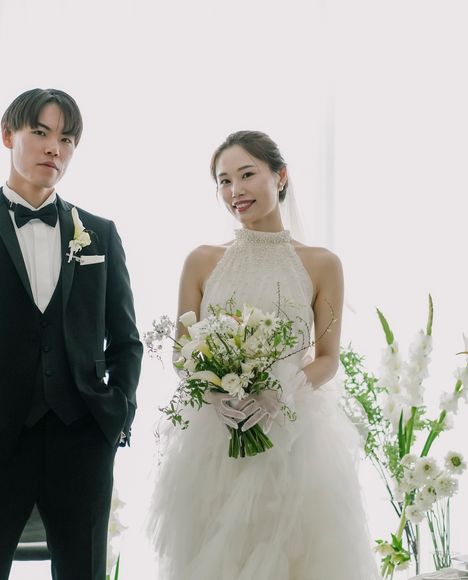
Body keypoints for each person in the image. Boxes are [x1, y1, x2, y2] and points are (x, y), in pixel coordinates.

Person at [0, 88, 143, 580]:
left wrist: (117, 414)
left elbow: (126, 340)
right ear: (7, 135)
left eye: (66, 138)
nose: (53, 148)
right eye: (40, 132)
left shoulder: (99, 233)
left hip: (82, 440)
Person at [147, 131, 380, 579]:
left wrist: (278, 394)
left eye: (247, 175)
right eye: (224, 181)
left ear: (281, 176)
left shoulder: (322, 263)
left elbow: (327, 358)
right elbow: (182, 353)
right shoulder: (201, 260)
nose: (235, 190)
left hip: (294, 438)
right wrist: (215, 394)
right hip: (215, 439)